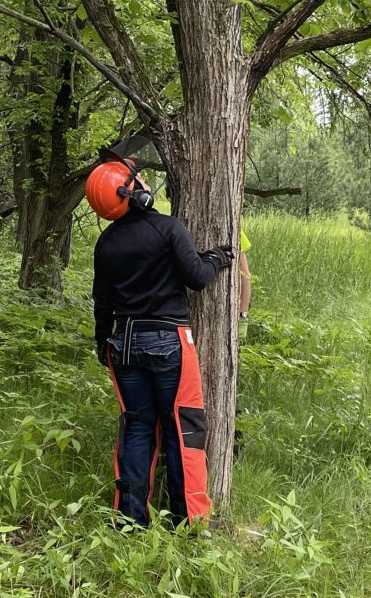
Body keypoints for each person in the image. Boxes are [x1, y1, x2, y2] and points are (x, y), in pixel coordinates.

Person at [87, 157, 233, 528]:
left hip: (124, 342)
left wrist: (103, 342)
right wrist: (217, 258)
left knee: (136, 426)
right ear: (132, 191)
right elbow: (197, 277)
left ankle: (130, 521)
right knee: (182, 426)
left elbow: (102, 302)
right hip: (169, 341)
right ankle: (191, 522)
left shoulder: (106, 243)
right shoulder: (168, 228)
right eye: (140, 179)